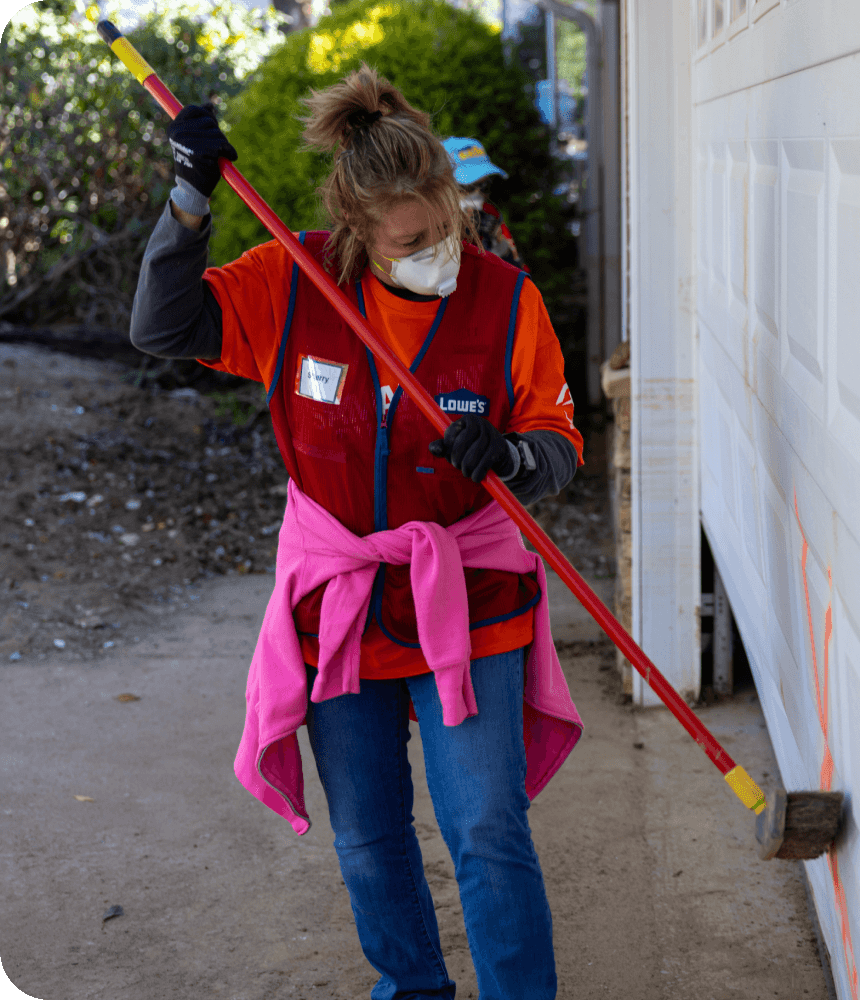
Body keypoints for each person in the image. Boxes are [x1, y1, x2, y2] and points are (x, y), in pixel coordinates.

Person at [129, 66, 582, 1000]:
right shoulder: (294, 285)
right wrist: (187, 198)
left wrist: (510, 456)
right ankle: (413, 988)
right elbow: (162, 327)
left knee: (487, 829)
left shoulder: (505, 300)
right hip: (339, 607)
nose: (441, 252)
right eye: (414, 242)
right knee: (369, 837)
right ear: (358, 237)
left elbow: (559, 444)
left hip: (472, 596)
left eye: (447, 227)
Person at [442, 136, 524, 270]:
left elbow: (518, 273)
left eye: (485, 186)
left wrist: (498, 243)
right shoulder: (424, 221)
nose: (478, 194)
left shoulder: (489, 213)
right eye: (468, 186)